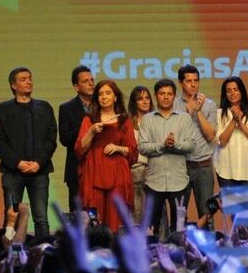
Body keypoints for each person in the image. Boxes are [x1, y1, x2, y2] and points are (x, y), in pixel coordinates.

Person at [0, 67, 58, 238]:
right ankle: (9, 251)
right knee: (11, 217)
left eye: (29, 78)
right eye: (23, 79)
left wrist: (38, 163)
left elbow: (51, 139)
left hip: (39, 171)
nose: (29, 82)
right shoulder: (3, 109)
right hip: (12, 172)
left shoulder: (44, 107)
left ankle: (43, 250)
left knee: (41, 218)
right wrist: (18, 163)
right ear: (13, 85)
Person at [74, 80, 137, 231]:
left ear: (115, 97)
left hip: (117, 173)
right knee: (95, 219)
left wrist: (118, 148)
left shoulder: (124, 121)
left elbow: (133, 151)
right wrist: (91, 132)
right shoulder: (89, 120)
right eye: (100, 94)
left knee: (115, 218)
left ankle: (114, 244)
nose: (104, 97)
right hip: (94, 172)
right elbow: (79, 150)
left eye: (108, 93)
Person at [138, 78, 197, 234]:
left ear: (174, 96)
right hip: (154, 181)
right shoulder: (147, 119)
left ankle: (177, 250)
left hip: (179, 181)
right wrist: (162, 145)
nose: (165, 97)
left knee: (178, 229)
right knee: (151, 229)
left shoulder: (184, 118)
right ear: (156, 96)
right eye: (162, 93)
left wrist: (174, 144)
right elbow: (142, 147)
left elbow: (191, 146)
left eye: (169, 94)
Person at [174, 65, 218, 229]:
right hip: (180, 166)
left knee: (207, 215)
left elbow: (210, 135)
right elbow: (174, 136)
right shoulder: (174, 105)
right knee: (179, 216)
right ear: (180, 83)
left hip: (203, 166)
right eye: (188, 81)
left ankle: (209, 246)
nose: (193, 84)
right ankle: (178, 244)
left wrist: (198, 112)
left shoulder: (209, 105)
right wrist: (187, 113)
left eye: (196, 81)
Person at [214, 77, 248, 188]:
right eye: (229, 91)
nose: (232, 93)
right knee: (229, 200)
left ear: (242, 91)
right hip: (226, 171)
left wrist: (240, 124)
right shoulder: (219, 113)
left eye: (236, 89)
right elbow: (222, 141)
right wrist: (233, 121)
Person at [58, 66, 94, 211]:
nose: (91, 84)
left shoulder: (103, 105)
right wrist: (86, 127)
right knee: (77, 214)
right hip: (76, 169)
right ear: (76, 87)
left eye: (92, 80)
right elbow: (65, 139)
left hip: (99, 168)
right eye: (86, 81)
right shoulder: (66, 108)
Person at [128, 85, 153, 225]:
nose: (145, 101)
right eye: (140, 99)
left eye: (147, 98)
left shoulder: (157, 121)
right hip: (136, 170)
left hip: (155, 170)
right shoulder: (128, 124)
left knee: (158, 212)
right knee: (137, 212)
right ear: (134, 102)